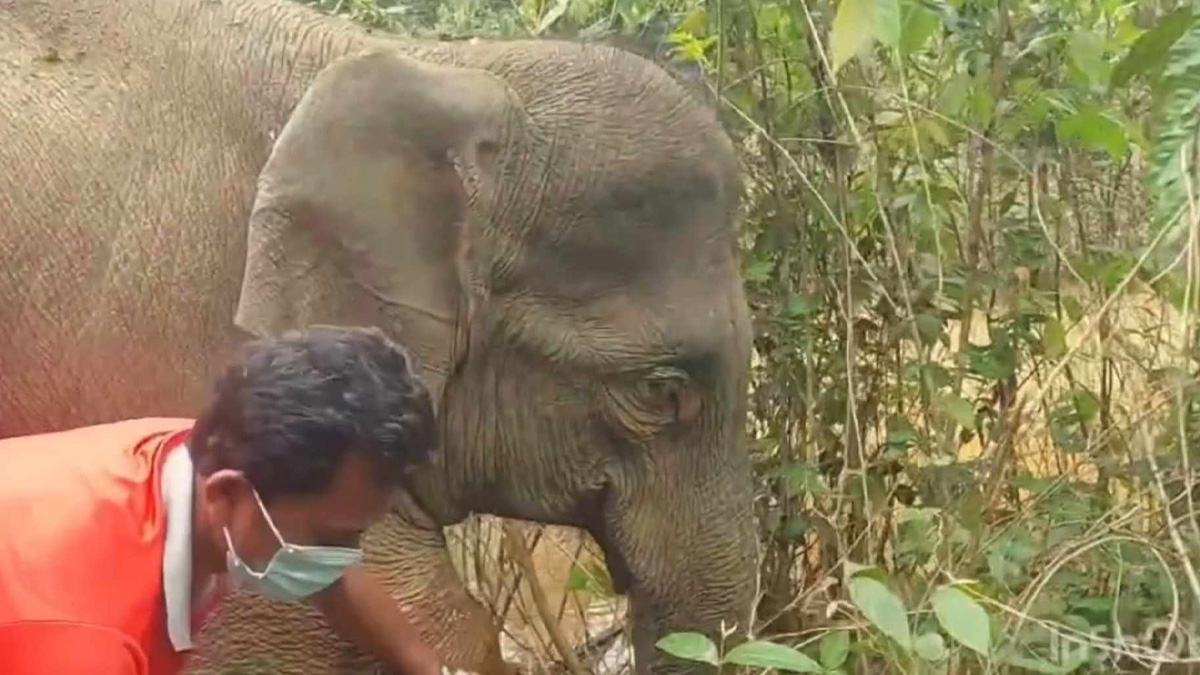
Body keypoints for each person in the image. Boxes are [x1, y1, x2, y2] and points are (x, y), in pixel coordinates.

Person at [0, 326, 446, 675]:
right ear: (227, 494)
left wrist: (433, 670)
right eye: (331, 537)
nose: (341, 558)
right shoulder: (85, 640)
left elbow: (330, 570)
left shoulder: (213, 455)